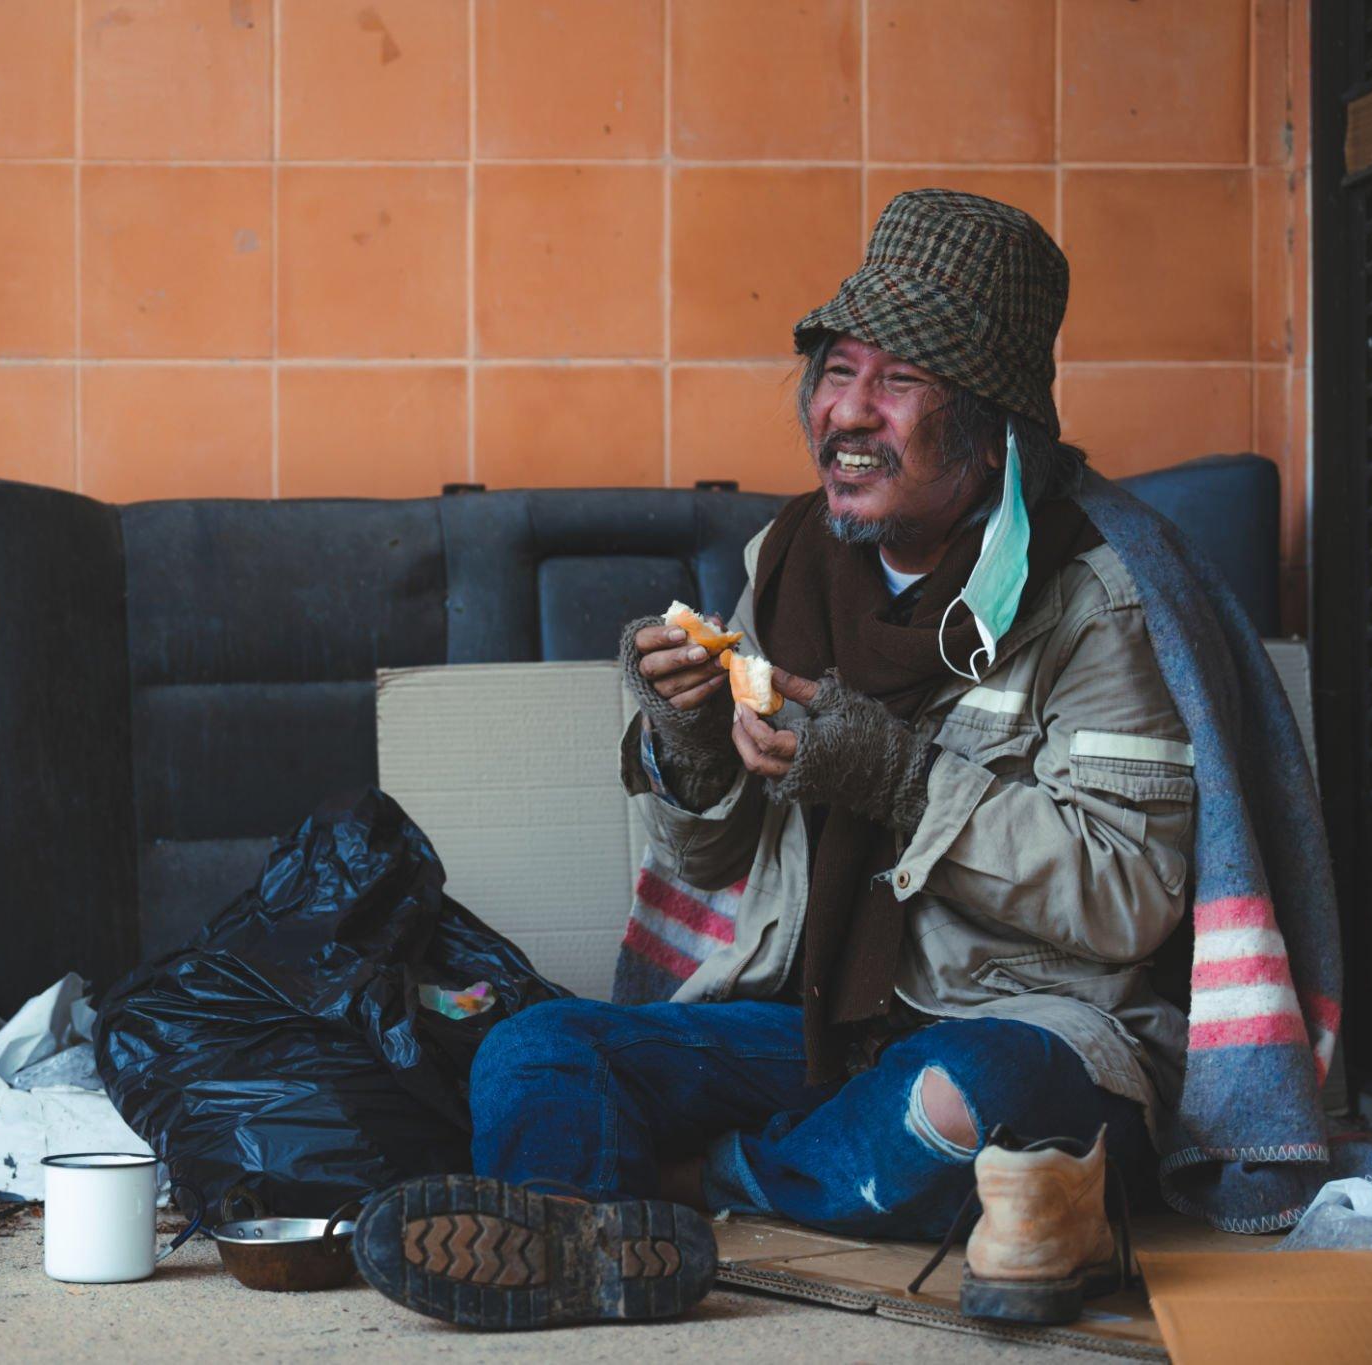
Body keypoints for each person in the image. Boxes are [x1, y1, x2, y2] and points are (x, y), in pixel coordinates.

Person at [354, 190, 1198, 1329]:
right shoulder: (791, 558)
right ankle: (568, 1227)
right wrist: (687, 744)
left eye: (896, 384)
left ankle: (680, 1190)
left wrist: (903, 782)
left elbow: (1128, 898)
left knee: (973, 1099)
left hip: (1014, 1028)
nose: (844, 414)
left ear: (992, 425)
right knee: (536, 1045)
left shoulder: (1094, 603)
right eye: (835, 370)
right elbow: (709, 865)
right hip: (806, 1023)